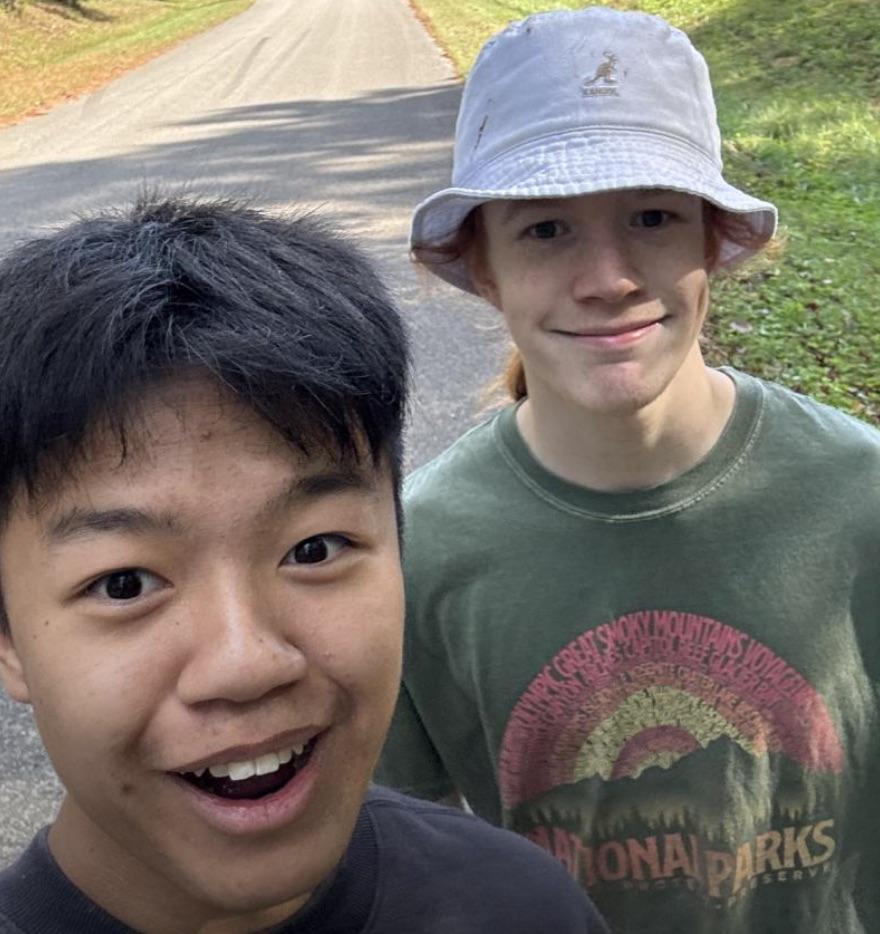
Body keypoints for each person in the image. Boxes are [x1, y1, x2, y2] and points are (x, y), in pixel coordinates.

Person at [376, 6, 880, 933]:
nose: (608, 277)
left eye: (653, 217)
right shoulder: (420, 554)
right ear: (482, 267)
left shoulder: (862, 499)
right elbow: (399, 861)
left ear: (711, 243)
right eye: (545, 230)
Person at [0, 196, 608, 933]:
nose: (246, 664)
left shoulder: (521, 907)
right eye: (124, 584)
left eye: (314, 549)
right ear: (9, 639)